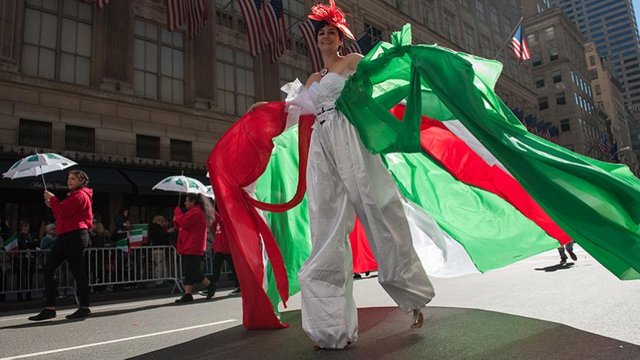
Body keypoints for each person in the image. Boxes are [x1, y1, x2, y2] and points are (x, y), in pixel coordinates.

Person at [271, 0, 434, 349]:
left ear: (340, 37)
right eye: (321, 33)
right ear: (316, 42)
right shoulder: (314, 79)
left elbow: (384, 74)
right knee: (326, 229)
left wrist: (405, 55)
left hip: (351, 139)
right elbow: (294, 112)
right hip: (322, 146)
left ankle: (412, 296)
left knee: (378, 210)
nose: (326, 37)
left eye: (331, 32)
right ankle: (331, 329)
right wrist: (265, 110)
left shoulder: (353, 63)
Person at [29, 169, 94, 321]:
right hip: (65, 236)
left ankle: (84, 307)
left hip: (76, 235)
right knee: (48, 268)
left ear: (82, 181)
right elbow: (61, 214)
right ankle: (49, 308)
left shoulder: (80, 195)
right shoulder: (73, 196)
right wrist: (53, 205)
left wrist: (53, 199)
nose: (69, 181)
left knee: (77, 270)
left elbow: (63, 211)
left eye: (73, 178)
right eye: (68, 178)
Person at [172, 193, 216, 303]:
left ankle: (210, 285)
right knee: (188, 271)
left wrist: (177, 212)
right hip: (190, 245)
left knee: (192, 270)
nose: (185, 203)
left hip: (192, 245)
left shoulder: (196, 212)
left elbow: (184, 222)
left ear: (193, 202)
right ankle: (188, 294)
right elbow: (182, 225)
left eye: (187, 201)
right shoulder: (195, 212)